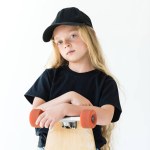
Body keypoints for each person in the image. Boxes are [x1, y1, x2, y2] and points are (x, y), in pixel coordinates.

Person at [24, 7, 122, 150]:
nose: (66, 44)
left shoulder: (105, 82)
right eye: (60, 42)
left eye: (73, 36)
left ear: (90, 36)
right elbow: (35, 115)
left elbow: (105, 116)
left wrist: (67, 109)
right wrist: (69, 97)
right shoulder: (50, 76)